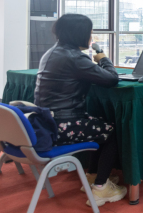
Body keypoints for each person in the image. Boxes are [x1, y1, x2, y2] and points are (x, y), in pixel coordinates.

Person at [34, 14, 126, 206]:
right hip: (62, 125)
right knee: (111, 131)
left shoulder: (52, 52)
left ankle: (93, 175)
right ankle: (101, 188)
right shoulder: (74, 57)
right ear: (79, 34)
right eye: (90, 33)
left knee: (97, 124)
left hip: (47, 122)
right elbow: (111, 79)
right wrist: (103, 59)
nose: (91, 37)